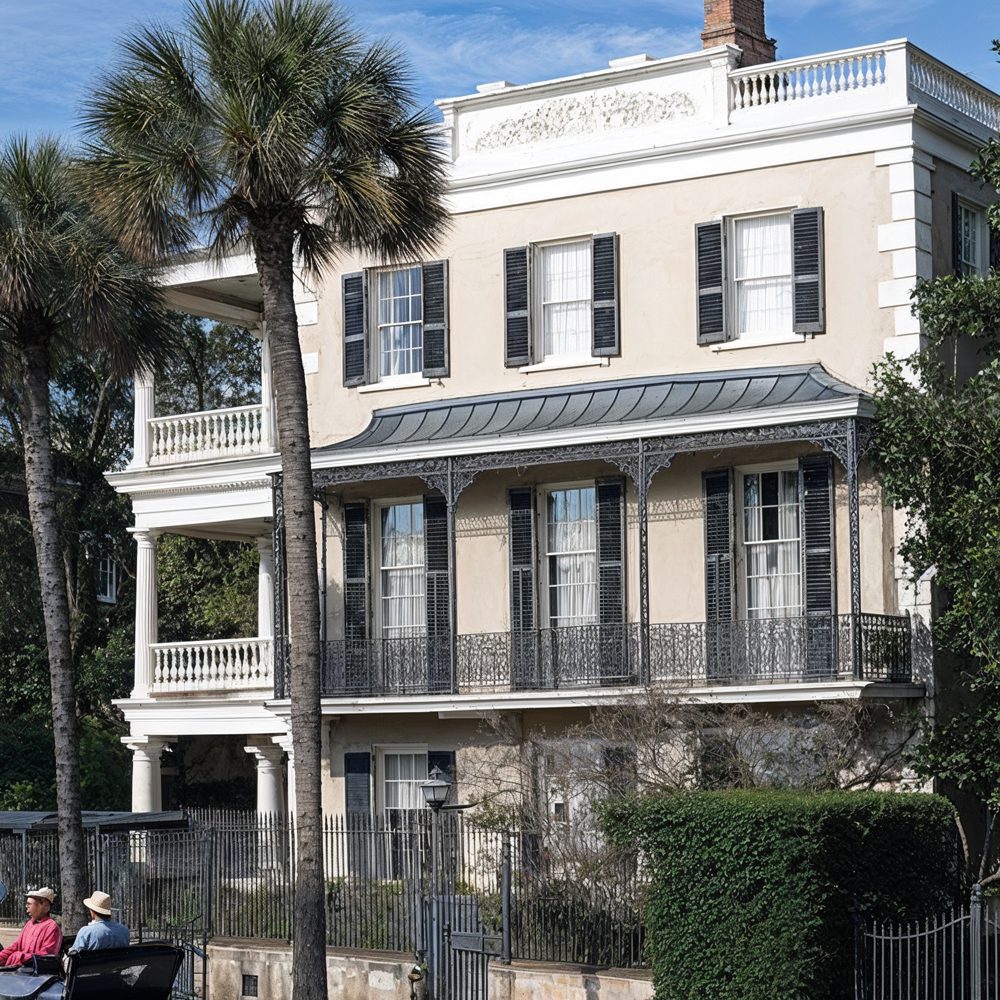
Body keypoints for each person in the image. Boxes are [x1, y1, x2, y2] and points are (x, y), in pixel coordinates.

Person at [0, 888, 62, 966]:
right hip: (21, 970)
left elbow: (45, 957)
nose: (26, 907)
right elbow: (16, 946)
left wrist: (19, 957)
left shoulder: (52, 927)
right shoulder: (29, 924)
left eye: (29, 904)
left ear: (44, 906)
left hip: (38, 974)